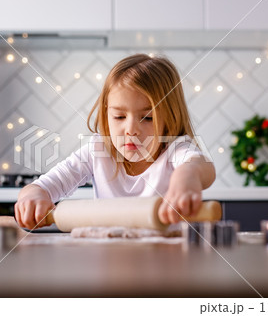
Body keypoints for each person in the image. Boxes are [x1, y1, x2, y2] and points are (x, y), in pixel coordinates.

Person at [15, 54, 215, 230]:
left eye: (147, 118)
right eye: (119, 117)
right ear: (106, 115)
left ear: (169, 119)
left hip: (165, 262)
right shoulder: (98, 151)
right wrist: (32, 196)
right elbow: (44, 186)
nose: (131, 129)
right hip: (109, 262)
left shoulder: (175, 150)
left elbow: (201, 165)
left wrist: (187, 177)